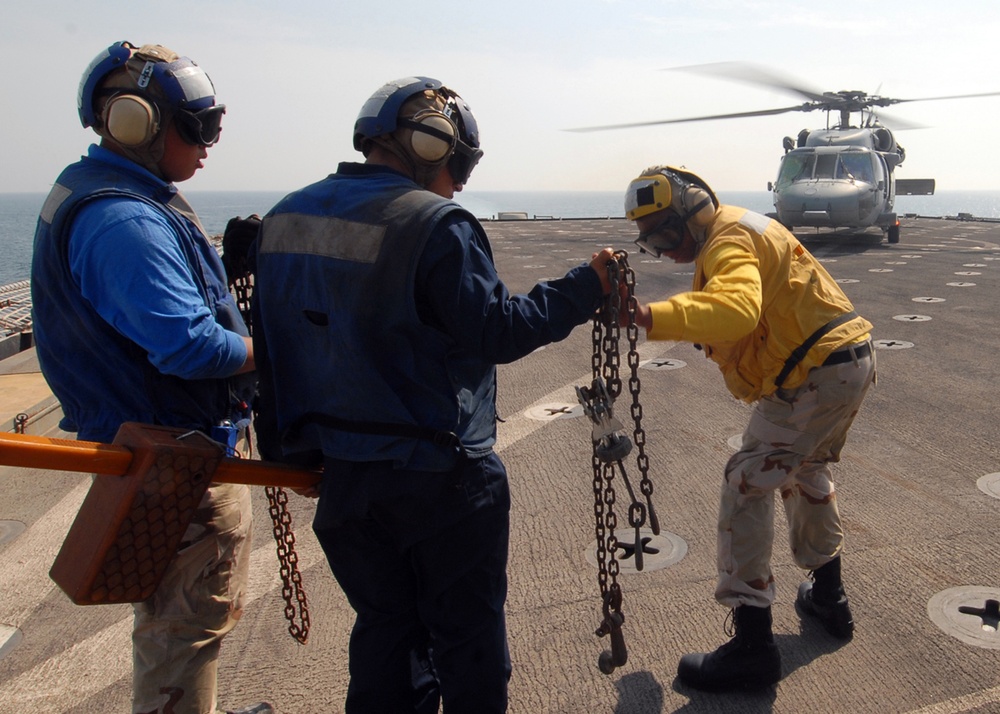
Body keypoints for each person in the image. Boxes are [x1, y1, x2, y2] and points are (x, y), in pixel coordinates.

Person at [251, 76, 616, 713]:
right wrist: (585, 288)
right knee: (467, 644)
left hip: (344, 481)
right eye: (462, 163)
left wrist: (289, 452)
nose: (462, 181)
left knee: (385, 631)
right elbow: (497, 329)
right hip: (440, 481)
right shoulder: (435, 224)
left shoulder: (284, 218)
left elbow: (273, 346)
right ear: (432, 143)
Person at [30, 41, 270, 714]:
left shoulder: (110, 192)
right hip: (178, 461)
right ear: (135, 121)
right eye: (199, 128)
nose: (208, 144)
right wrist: (272, 348)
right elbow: (188, 348)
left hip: (159, 449)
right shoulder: (123, 219)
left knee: (181, 623)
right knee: (185, 630)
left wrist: (229, 274)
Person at [622, 166, 875, 691]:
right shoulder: (741, 227)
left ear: (695, 211)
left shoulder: (727, 240)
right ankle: (829, 598)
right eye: (650, 242)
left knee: (746, 481)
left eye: (666, 234)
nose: (663, 249)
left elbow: (736, 310)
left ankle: (752, 648)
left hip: (813, 377)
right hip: (846, 364)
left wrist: (649, 317)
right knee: (806, 470)